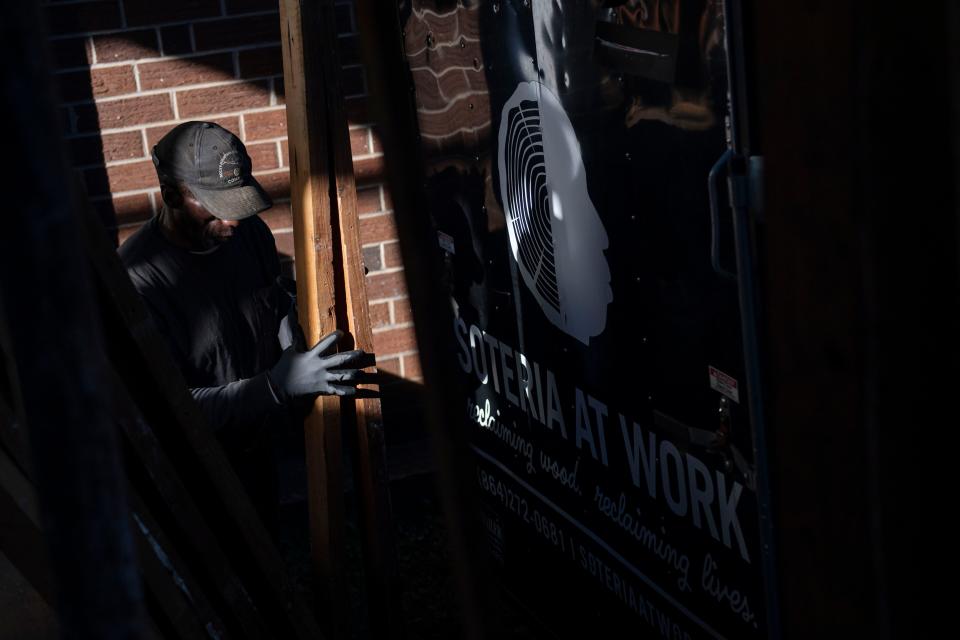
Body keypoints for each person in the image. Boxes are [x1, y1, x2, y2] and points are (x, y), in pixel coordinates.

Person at [119, 120, 370, 529]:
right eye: (218, 206)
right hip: (192, 475)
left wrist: (289, 321)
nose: (234, 220)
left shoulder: (248, 235)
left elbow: (265, 298)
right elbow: (168, 408)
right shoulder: (139, 282)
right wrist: (273, 387)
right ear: (171, 195)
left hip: (255, 449)